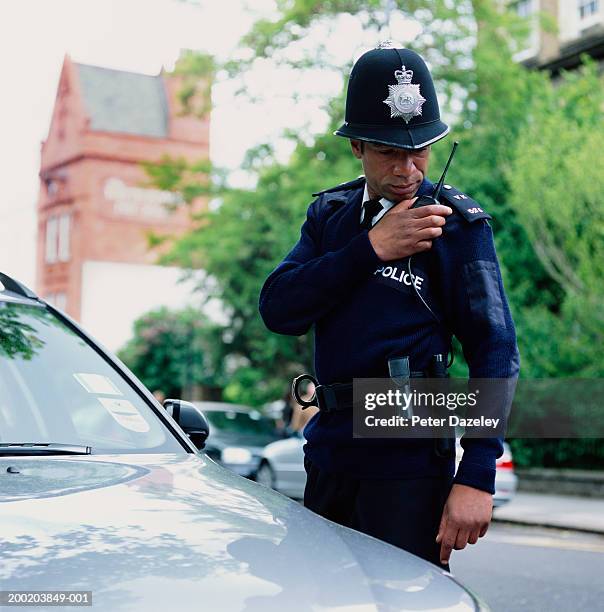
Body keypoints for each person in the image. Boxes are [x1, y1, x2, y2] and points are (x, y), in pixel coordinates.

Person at [259, 44, 519, 569]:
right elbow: (279, 310)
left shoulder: (454, 225)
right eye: (388, 151)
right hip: (330, 453)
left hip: (409, 462)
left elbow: (495, 351)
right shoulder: (330, 218)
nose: (407, 168)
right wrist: (370, 249)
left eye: (419, 150)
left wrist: (477, 474)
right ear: (356, 145)